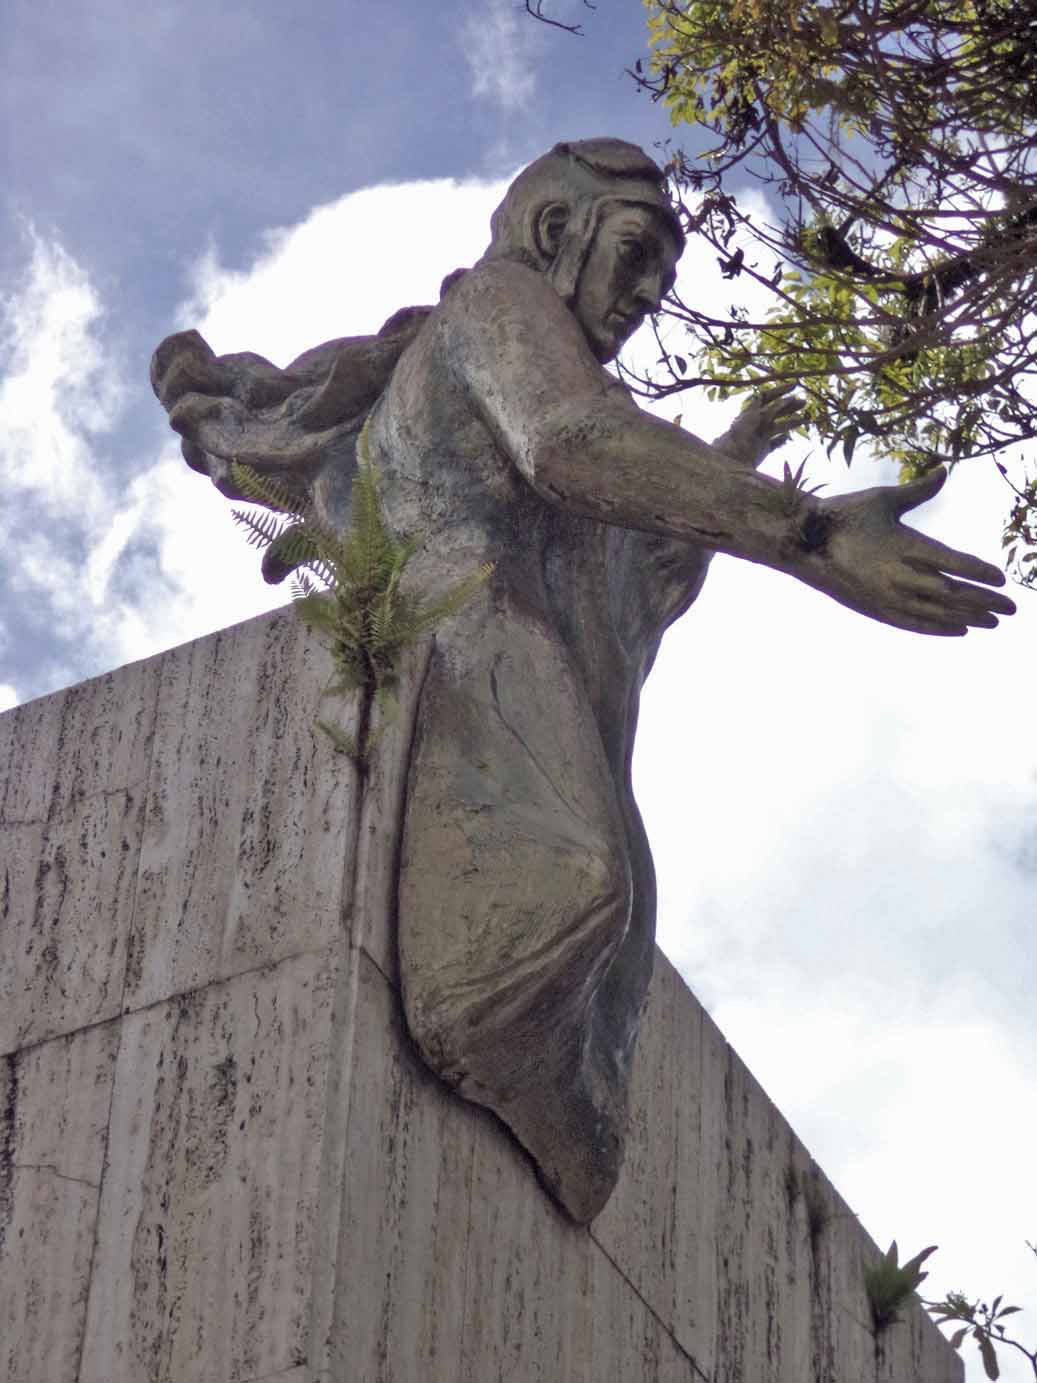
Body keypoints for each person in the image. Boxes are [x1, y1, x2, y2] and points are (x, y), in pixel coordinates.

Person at [152, 139, 1014, 1222]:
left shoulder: (553, 361)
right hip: (464, 641)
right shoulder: (500, 309)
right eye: (636, 253)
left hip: (539, 672)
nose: (649, 293)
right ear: (557, 234)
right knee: (575, 888)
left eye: (663, 270)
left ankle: (560, 1113)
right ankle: (502, 1050)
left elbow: (628, 570)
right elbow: (570, 445)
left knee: (615, 916)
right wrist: (807, 533)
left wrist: (730, 467)